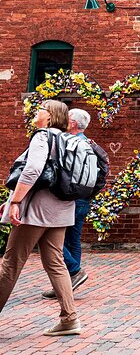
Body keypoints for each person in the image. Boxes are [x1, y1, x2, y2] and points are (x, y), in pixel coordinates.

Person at [0, 100, 81, 336]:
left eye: (41, 109)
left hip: (37, 212)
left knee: (11, 263)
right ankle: (69, 319)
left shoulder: (42, 136)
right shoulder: (70, 140)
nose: (37, 112)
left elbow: (34, 170)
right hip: (62, 209)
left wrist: (16, 201)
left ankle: (70, 319)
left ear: (50, 116)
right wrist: (16, 197)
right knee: (56, 263)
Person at [41, 108, 91, 299]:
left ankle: (73, 271)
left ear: (73, 123)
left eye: (67, 118)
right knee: (72, 240)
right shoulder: (88, 143)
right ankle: (67, 283)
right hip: (83, 197)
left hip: (70, 197)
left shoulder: (70, 143)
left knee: (50, 238)